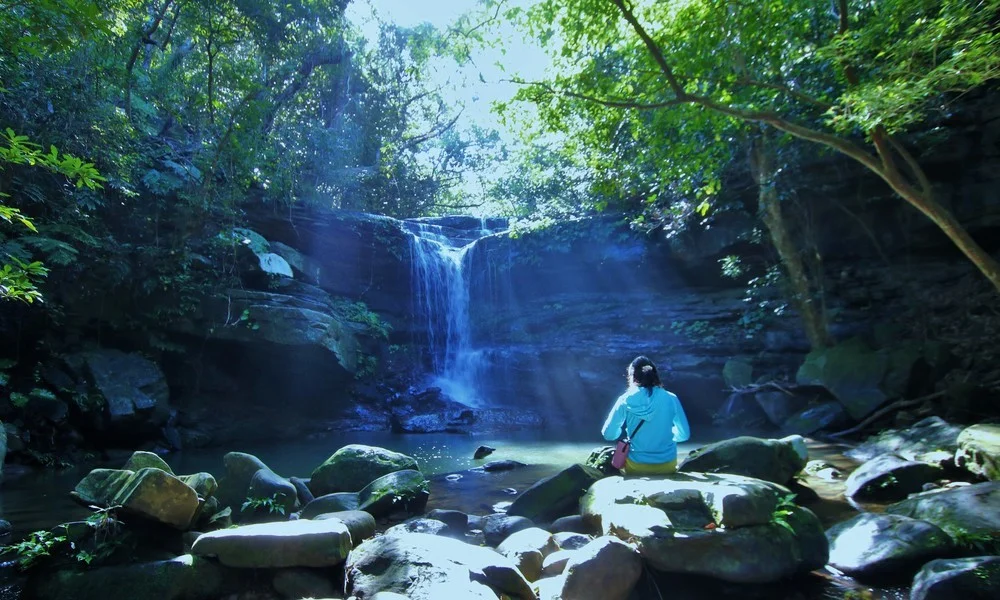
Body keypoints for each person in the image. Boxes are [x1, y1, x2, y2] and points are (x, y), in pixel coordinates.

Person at [601, 355, 690, 475]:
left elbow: (608, 435)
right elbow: (684, 435)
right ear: (654, 375)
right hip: (667, 465)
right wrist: (665, 435)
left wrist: (620, 434)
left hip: (636, 466)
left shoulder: (625, 400)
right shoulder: (671, 398)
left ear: (632, 376)